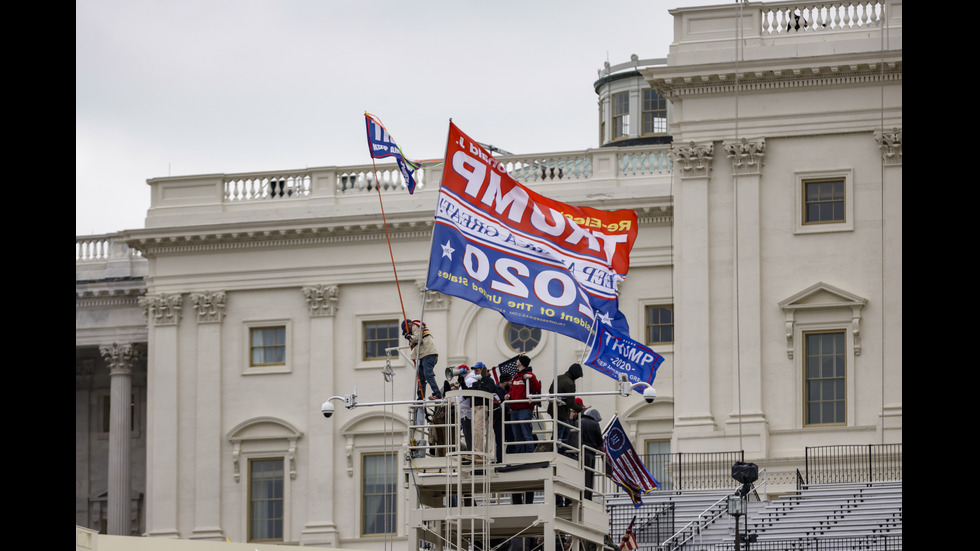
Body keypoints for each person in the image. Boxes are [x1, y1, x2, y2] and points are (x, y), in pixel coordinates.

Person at [547, 363, 585, 454]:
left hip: (553, 409)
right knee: (560, 434)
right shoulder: (570, 383)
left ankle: (557, 451)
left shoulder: (558, 378)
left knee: (563, 431)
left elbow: (550, 391)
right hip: (562, 413)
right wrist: (580, 408)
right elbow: (571, 402)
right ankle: (557, 453)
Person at [507, 355, 541, 454]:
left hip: (524, 409)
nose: (516, 361)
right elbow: (513, 390)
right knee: (517, 435)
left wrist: (531, 378)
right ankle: (520, 453)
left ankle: (529, 453)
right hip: (515, 409)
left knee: (526, 433)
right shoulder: (516, 376)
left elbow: (536, 389)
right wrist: (509, 395)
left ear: (521, 362)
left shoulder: (529, 375)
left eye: (518, 360)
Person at [403, 319, 441, 399]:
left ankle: (437, 393)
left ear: (409, 324)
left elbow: (417, 339)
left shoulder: (415, 325)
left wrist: (409, 337)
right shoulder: (415, 328)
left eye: (406, 330)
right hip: (424, 355)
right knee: (420, 377)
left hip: (428, 353)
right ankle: (420, 397)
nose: (408, 331)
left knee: (427, 374)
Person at [467, 362, 497, 462]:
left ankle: (478, 453)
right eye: (475, 370)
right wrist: (462, 382)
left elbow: (488, 390)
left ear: (483, 370)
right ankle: (476, 452)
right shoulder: (476, 382)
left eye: (478, 369)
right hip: (474, 408)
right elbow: (467, 394)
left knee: (478, 429)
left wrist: (478, 388)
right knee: (475, 430)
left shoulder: (489, 380)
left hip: (481, 407)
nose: (475, 371)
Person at [580, 407, 603, 501]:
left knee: (580, 475)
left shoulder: (579, 421)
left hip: (579, 452)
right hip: (590, 453)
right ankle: (587, 497)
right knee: (588, 477)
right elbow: (599, 441)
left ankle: (580, 496)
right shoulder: (594, 424)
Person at [493, 372, 512, 464]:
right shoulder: (495, 391)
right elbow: (497, 403)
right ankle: (500, 460)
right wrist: (507, 408)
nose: (511, 383)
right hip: (499, 420)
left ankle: (509, 457)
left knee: (512, 439)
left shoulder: (508, 390)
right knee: (500, 441)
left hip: (509, 419)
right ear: (505, 381)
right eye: (510, 381)